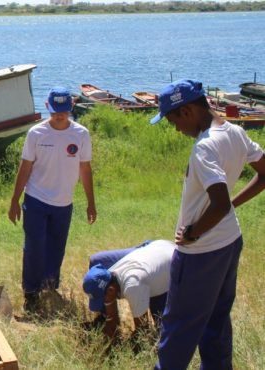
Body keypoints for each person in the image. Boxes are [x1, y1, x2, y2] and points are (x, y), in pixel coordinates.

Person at [149, 79, 265, 370]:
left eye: (173, 120)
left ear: (187, 111)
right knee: (216, 319)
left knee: (179, 327)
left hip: (201, 253)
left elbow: (220, 203)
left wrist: (192, 233)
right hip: (229, 243)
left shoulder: (204, 148)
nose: (176, 129)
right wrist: (231, 206)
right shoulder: (235, 132)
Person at [8, 86, 97, 313]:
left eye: (64, 111)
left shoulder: (81, 134)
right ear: (47, 107)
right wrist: (14, 200)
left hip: (63, 202)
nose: (60, 115)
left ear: (72, 107)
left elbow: (85, 169)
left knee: (57, 248)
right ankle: (30, 292)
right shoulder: (36, 133)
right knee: (35, 247)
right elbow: (25, 167)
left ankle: (49, 286)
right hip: (36, 199)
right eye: (56, 110)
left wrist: (91, 202)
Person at [82, 240, 175, 343]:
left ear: (111, 291)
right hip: (159, 248)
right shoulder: (111, 274)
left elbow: (143, 330)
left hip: (175, 262)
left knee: (166, 337)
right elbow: (112, 321)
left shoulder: (132, 286)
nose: (104, 303)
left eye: (102, 299)